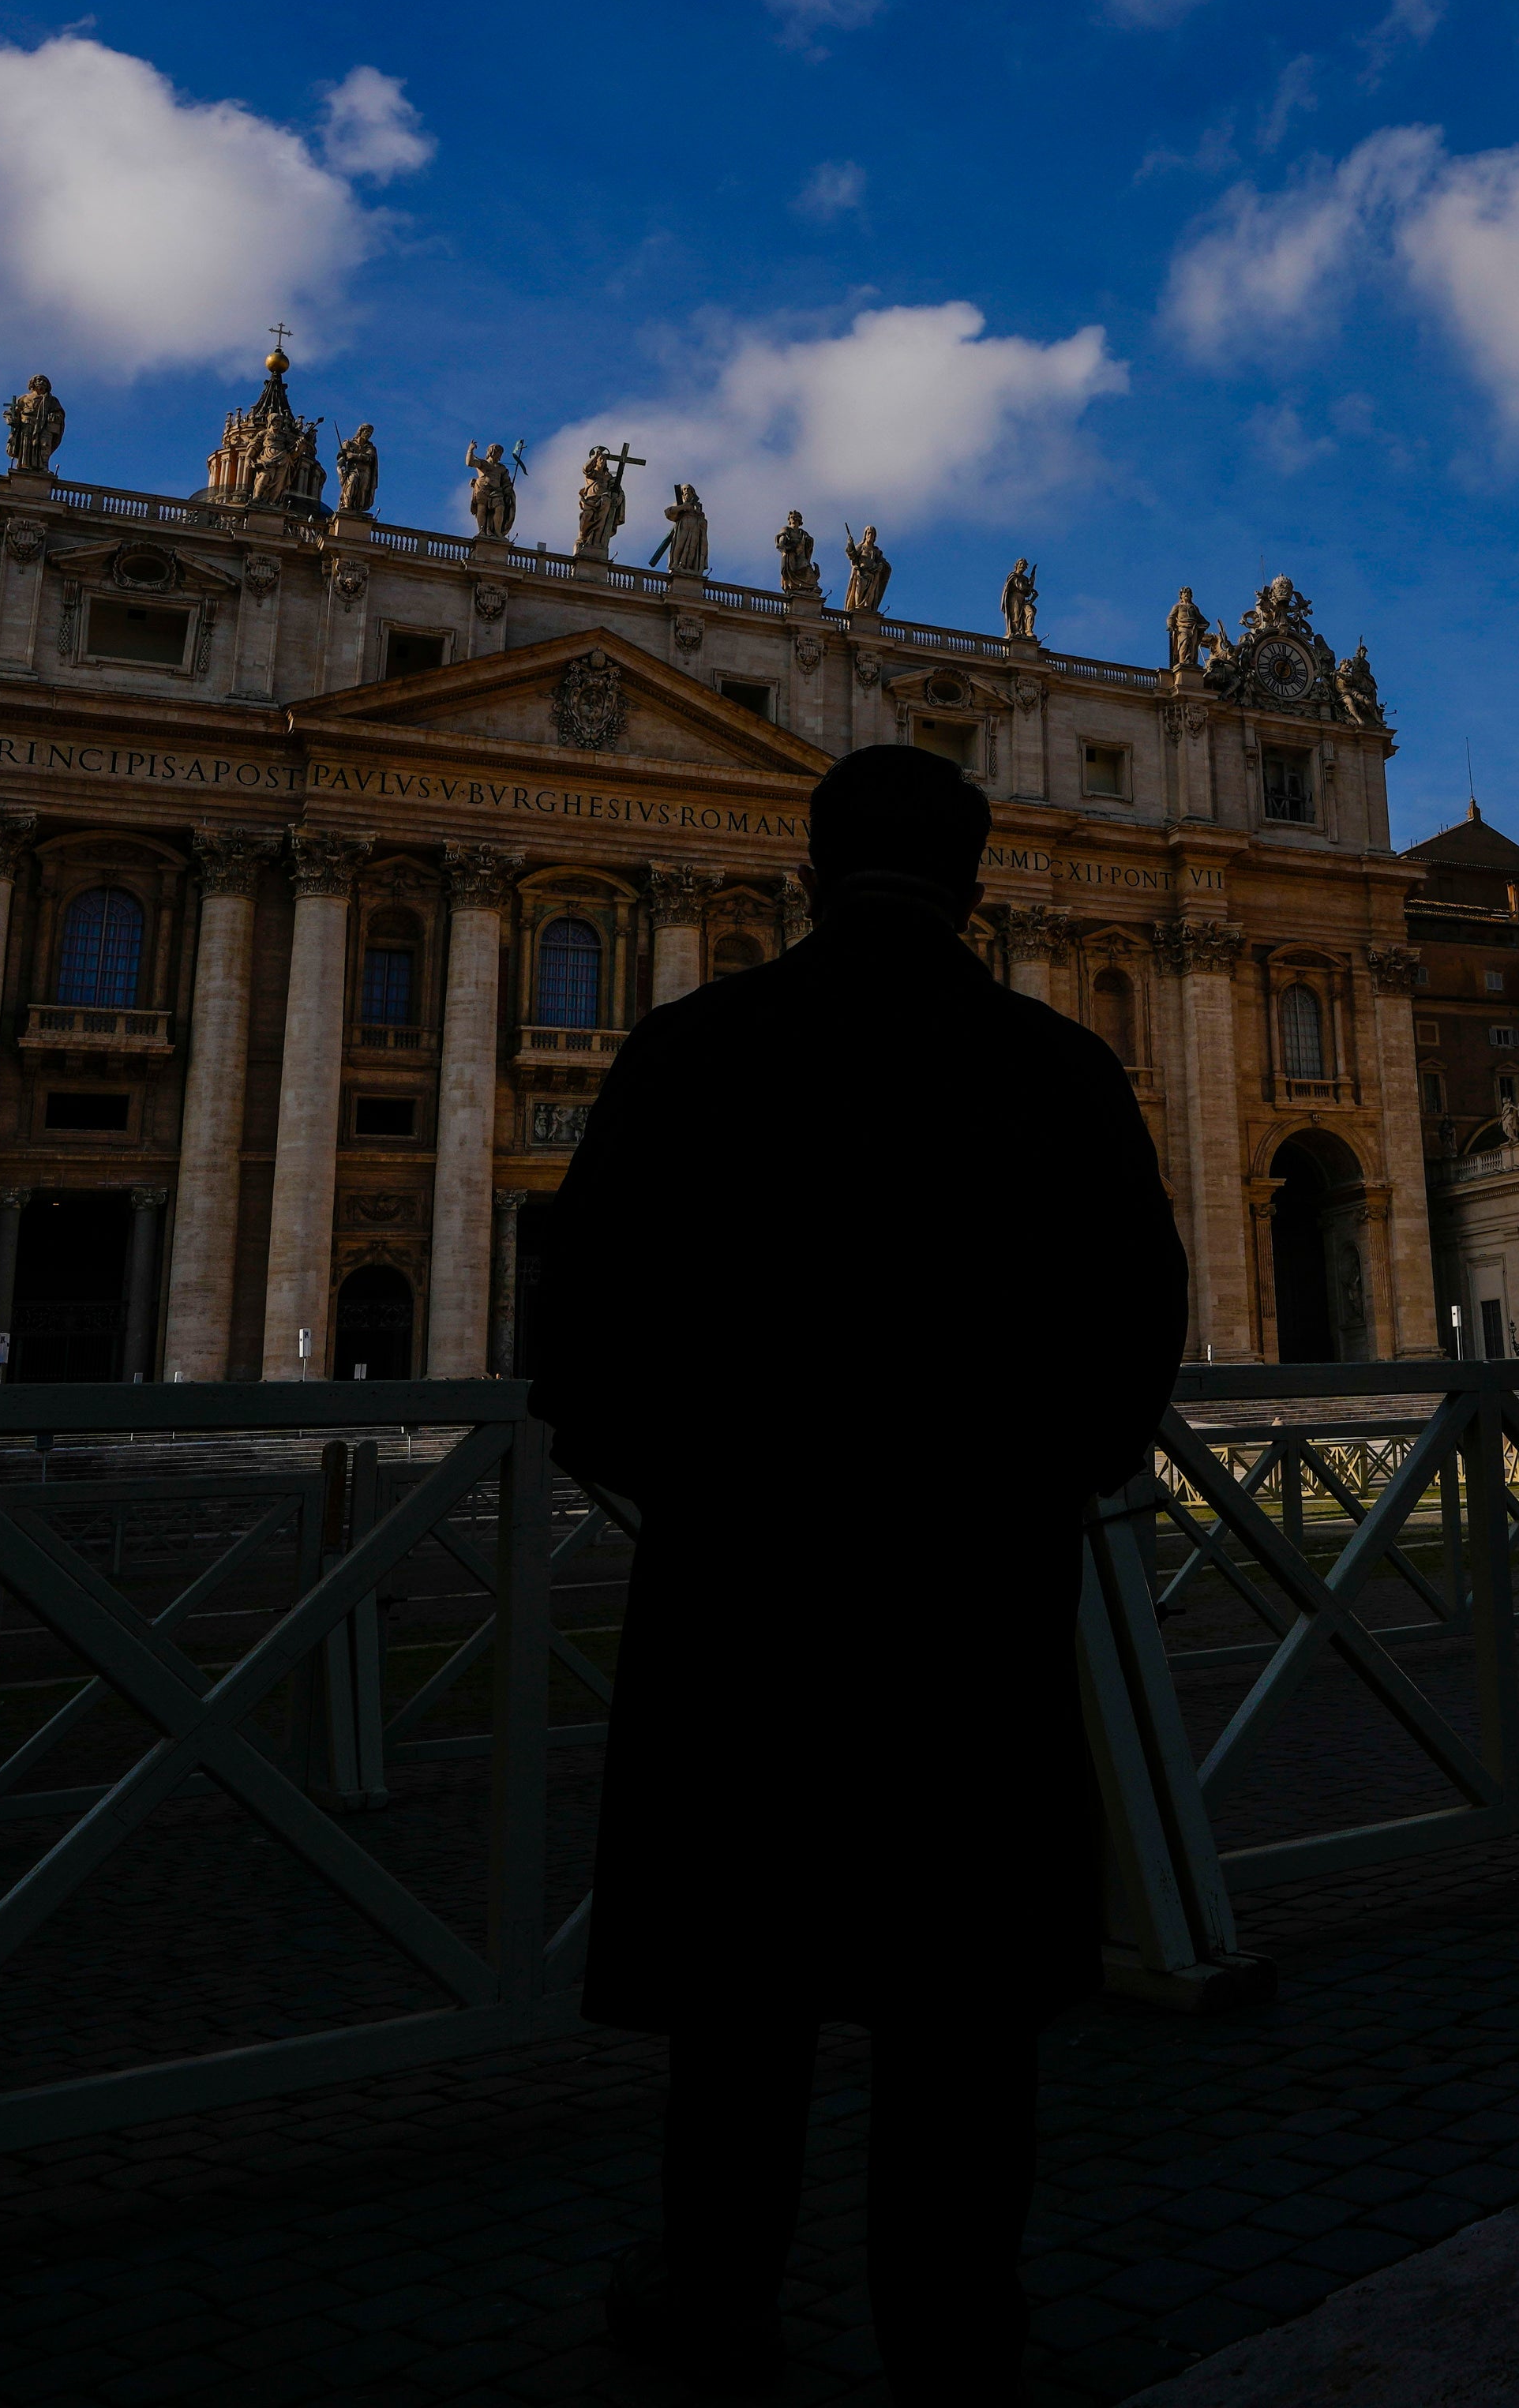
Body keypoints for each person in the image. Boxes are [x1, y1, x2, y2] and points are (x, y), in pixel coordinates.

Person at [527, 747, 1187, 2398]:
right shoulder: (1058, 1067)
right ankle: (956, 2333)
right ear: (973, 886)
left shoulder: (691, 1051)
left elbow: (580, 1350)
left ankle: (721, 2302)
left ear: (811, 871)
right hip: (974, 1613)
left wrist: (713, 1484)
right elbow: (1134, 1346)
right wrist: (1024, 1474)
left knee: (737, 2012)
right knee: (960, 2019)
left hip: (742, 1612)